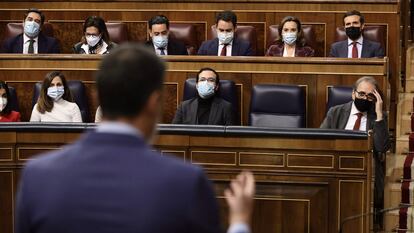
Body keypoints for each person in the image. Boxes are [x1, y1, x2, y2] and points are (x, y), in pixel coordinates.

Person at [16, 44, 254, 233]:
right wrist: (240, 222)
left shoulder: (36, 174)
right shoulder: (187, 182)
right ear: (154, 102)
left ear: (101, 95)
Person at [320, 76, 390, 228]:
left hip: (366, 172)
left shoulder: (379, 116)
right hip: (335, 169)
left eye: (370, 96)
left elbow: (382, 147)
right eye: (361, 94)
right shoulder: (336, 112)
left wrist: (378, 114)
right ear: (353, 94)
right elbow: (321, 141)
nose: (365, 98)